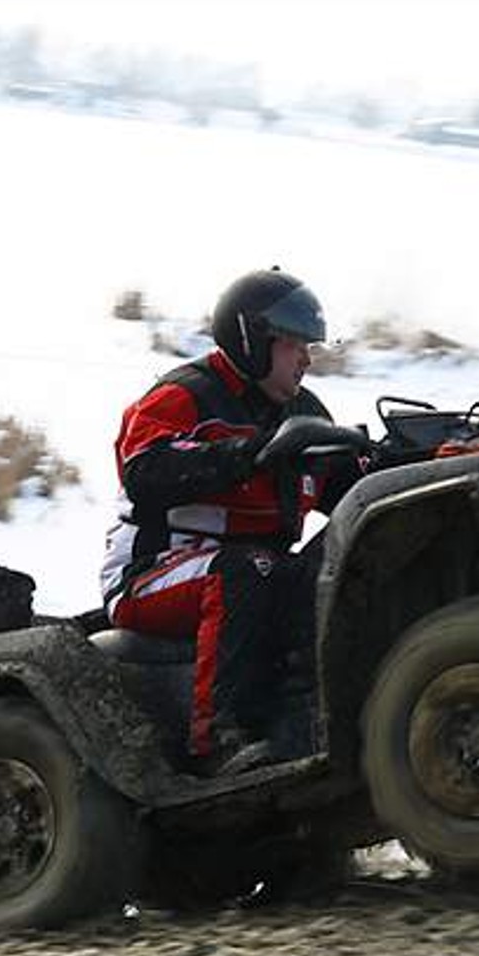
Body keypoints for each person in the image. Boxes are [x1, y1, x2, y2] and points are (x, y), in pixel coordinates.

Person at [99, 267, 363, 775]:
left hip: (257, 569)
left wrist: (451, 450)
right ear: (254, 341)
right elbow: (144, 470)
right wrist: (252, 453)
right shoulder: (184, 395)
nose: (307, 359)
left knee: (343, 554)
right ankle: (217, 741)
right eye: (294, 345)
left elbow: (354, 486)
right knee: (248, 569)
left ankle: (307, 723)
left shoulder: (305, 411)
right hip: (151, 575)